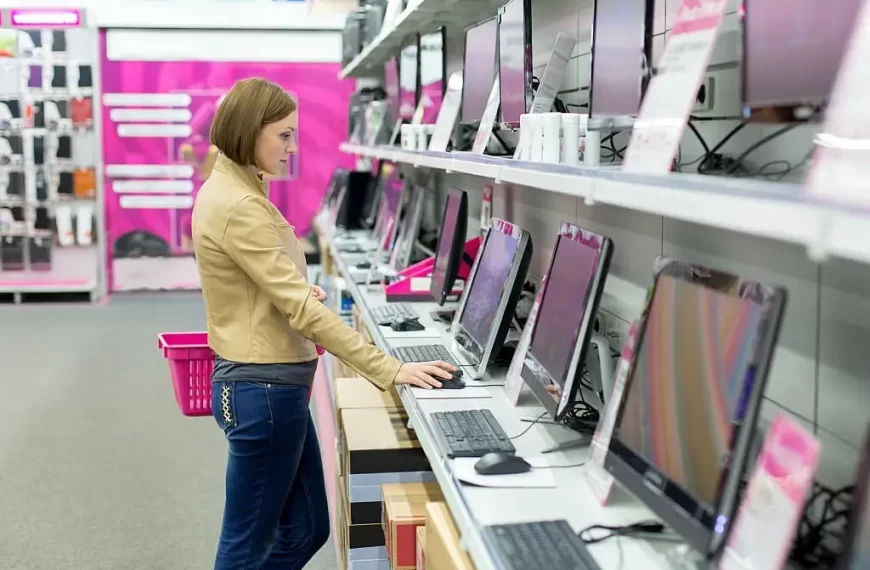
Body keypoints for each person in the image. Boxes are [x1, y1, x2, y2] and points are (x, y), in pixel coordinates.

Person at [191, 77, 455, 570]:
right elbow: (300, 311)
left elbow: (251, 284)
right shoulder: (239, 204)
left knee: (308, 528)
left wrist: (291, 289)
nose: (292, 147)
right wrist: (388, 368)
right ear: (250, 132)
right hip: (262, 391)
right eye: (284, 135)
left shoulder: (236, 187)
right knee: (246, 547)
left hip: (272, 386)